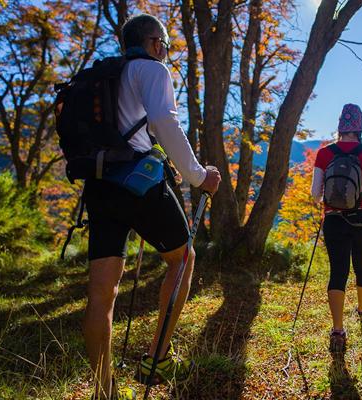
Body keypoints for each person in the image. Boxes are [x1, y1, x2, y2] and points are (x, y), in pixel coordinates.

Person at [82, 14, 221, 400]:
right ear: (154, 42)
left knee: (101, 293)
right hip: (141, 184)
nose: (165, 50)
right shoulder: (153, 71)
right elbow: (164, 123)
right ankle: (157, 359)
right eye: (164, 44)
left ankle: (103, 390)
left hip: (99, 185)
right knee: (183, 260)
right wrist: (198, 176)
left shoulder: (105, 78)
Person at [311, 103, 362, 353]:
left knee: (338, 272)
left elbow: (315, 195)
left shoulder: (324, 153)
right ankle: (361, 310)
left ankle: (337, 330)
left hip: (334, 220)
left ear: (340, 126)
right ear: (360, 127)